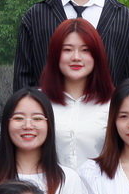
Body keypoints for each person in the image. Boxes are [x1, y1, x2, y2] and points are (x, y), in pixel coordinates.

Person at [40, 18, 115, 169]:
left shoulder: (114, 103)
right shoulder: (38, 102)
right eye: (67, 50)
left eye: (85, 50)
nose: (76, 57)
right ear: (55, 54)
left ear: (97, 55)